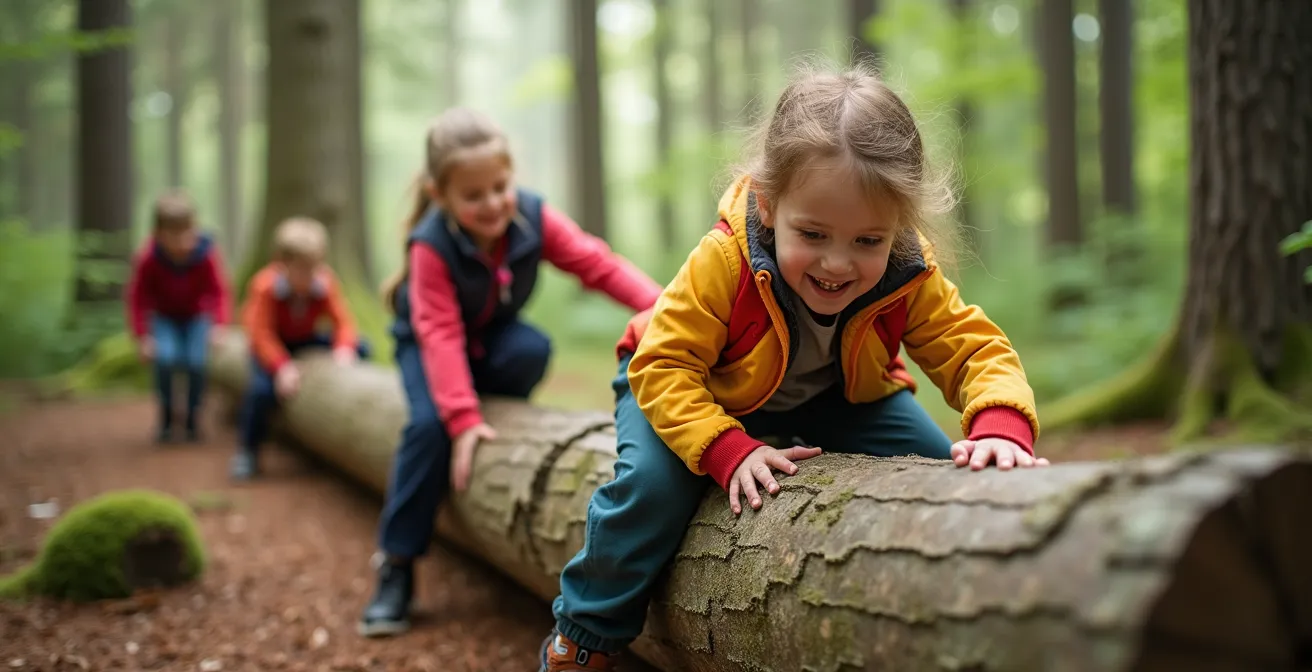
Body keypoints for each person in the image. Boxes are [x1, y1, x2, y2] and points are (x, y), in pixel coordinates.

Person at [537, 61, 1050, 671]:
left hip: (836, 395)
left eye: (868, 241)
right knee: (650, 488)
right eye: (814, 233)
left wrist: (1000, 424)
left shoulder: (908, 273)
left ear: (899, 228)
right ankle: (584, 636)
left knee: (938, 473)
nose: (838, 263)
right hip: (689, 386)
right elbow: (665, 366)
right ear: (769, 201)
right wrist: (727, 448)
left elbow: (973, 347)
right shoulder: (725, 262)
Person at [358, 107, 663, 638]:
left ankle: (488, 410)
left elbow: (598, 264)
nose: (492, 203)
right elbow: (439, 335)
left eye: (500, 187)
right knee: (428, 427)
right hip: (428, 347)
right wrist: (460, 417)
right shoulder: (430, 246)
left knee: (532, 348)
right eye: (473, 196)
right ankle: (397, 564)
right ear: (440, 194)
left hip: (490, 343)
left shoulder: (530, 216)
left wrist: (667, 308)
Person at [232, 216, 367, 481]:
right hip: (273, 344)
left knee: (363, 346)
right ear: (281, 265)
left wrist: (344, 348)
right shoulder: (265, 287)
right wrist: (281, 367)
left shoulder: (325, 283)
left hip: (305, 339)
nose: (309, 276)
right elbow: (261, 333)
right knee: (261, 392)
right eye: (302, 269)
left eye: (314, 268)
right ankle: (248, 450)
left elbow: (343, 321)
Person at [125, 190, 232, 443]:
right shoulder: (149, 259)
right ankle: (166, 417)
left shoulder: (205, 255)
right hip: (164, 319)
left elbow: (219, 291)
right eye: (175, 235)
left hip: (196, 317)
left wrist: (219, 324)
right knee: (165, 360)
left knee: (196, 363)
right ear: (159, 235)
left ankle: (193, 418)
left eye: (187, 233)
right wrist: (142, 336)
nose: (183, 242)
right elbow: (137, 298)